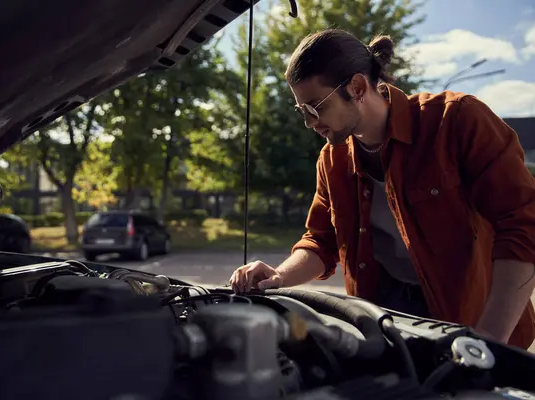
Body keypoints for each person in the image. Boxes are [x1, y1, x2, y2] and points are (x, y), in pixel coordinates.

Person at [229, 28, 535, 350]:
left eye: (315, 107)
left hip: (471, 316)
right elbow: (320, 241)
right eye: (302, 111)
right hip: (383, 315)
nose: (309, 122)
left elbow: (523, 224)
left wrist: (490, 341)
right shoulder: (332, 160)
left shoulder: (456, 120)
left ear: (358, 87)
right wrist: (278, 276)